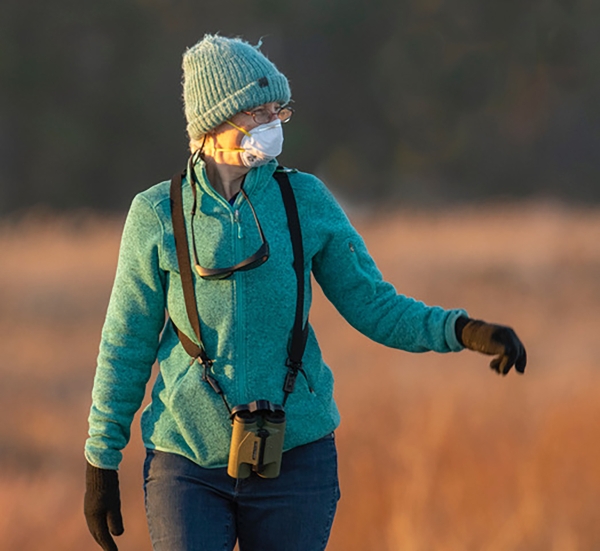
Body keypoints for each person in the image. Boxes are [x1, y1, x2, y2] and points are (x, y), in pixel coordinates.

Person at [83, 34, 527, 551]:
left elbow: (374, 305)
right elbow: (126, 345)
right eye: (259, 111)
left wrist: (464, 330)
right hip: (186, 462)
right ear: (214, 123)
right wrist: (101, 461)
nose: (273, 124)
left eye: (279, 111)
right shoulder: (157, 214)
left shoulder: (306, 200)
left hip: (297, 458)